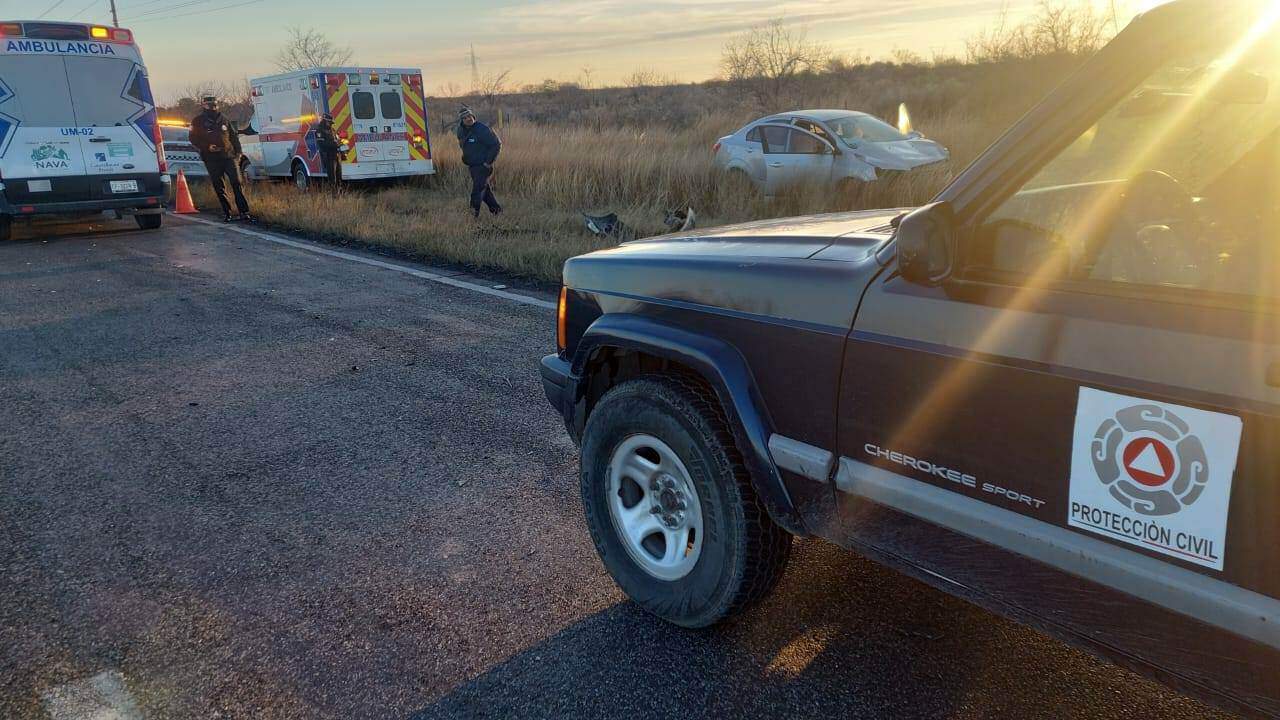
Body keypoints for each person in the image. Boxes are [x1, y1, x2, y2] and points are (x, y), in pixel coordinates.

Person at [189, 95, 252, 222]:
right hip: (211, 158)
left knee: (237, 182)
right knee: (219, 186)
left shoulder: (224, 119)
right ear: (203, 106)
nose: (212, 107)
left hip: (228, 156)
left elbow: (233, 137)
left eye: (214, 105)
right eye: (209, 105)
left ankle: (244, 212)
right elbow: (193, 139)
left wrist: (238, 153)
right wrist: (207, 147)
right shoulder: (197, 121)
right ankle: (227, 212)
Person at [456, 107, 502, 217]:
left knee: (477, 191)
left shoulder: (483, 129)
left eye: (470, 116)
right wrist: (465, 157)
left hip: (483, 166)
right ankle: (497, 211)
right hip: (472, 166)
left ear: (473, 116)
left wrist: (488, 162)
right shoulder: (461, 130)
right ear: (462, 121)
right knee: (484, 191)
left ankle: (472, 215)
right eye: (465, 118)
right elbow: (462, 144)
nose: (468, 119)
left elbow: (496, 144)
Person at [315, 113, 342, 185]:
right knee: (332, 178)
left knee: (339, 176)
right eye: (329, 122)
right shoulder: (319, 131)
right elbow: (322, 144)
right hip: (328, 156)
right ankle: (333, 194)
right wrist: (335, 144)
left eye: (331, 123)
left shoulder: (332, 130)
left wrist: (340, 142)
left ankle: (339, 193)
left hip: (336, 155)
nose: (330, 124)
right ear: (324, 121)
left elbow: (337, 139)